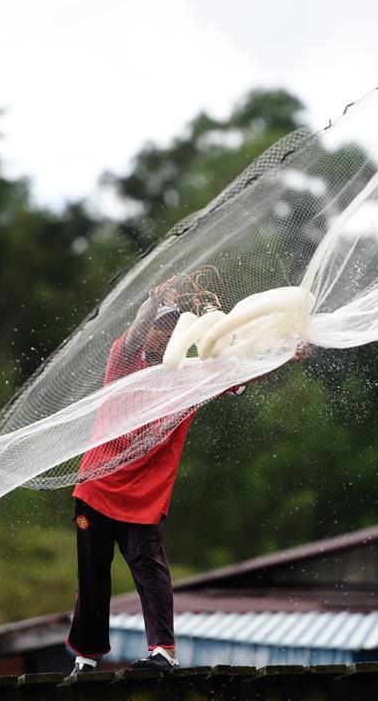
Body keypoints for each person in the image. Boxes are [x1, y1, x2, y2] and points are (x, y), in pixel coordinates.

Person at [64, 277, 309, 675]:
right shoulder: (125, 363)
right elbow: (135, 334)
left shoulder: (188, 378)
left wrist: (286, 355)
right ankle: (87, 658)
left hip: (144, 500)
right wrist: (153, 303)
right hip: (98, 489)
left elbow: (241, 374)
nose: (163, 334)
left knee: (150, 568)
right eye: (160, 326)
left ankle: (163, 652)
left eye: (172, 327)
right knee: (92, 574)